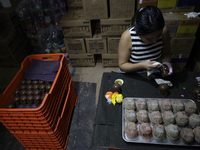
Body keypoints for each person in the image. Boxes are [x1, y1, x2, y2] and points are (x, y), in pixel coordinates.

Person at [118, 6, 171, 73]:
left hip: (154, 68)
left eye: (158, 35)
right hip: (133, 69)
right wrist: (142, 66)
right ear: (138, 32)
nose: (155, 41)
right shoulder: (128, 37)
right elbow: (122, 65)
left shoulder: (164, 31)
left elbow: (166, 54)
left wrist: (165, 65)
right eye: (149, 38)